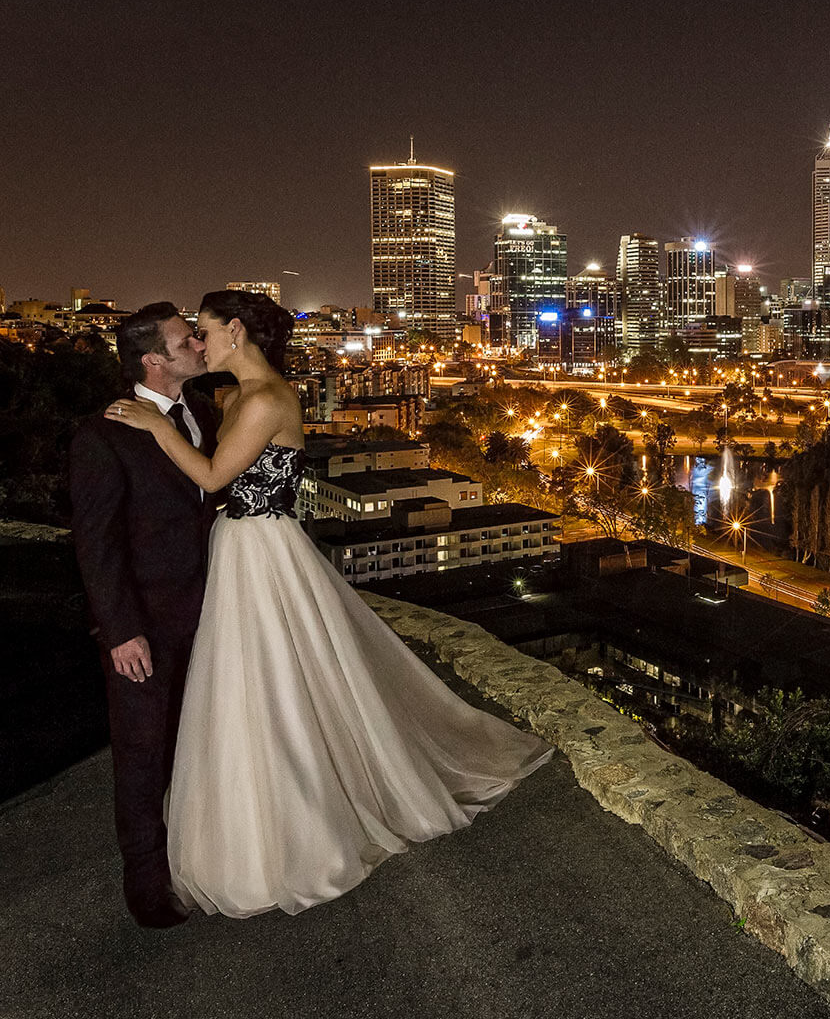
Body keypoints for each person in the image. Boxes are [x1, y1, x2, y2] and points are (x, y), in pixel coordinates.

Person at [105, 290, 551, 917]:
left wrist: (154, 426)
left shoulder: (266, 399)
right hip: (236, 548)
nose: (199, 345)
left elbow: (211, 478)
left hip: (262, 549)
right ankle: (256, 811)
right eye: (192, 338)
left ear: (235, 330)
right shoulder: (226, 398)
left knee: (280, 676)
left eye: (203, 332)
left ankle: (301, 819)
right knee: (248, 680)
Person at [69, 302, 218, 928]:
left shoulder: (204, 414)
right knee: (140, 754)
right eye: (188, 341)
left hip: (211, 614)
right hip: (146, 627)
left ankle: (196, 858)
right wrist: (122, 631)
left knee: (195, 744)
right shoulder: (102, 435)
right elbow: (97, 544)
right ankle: (147, 887)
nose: (200, 348)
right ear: (155, 360)